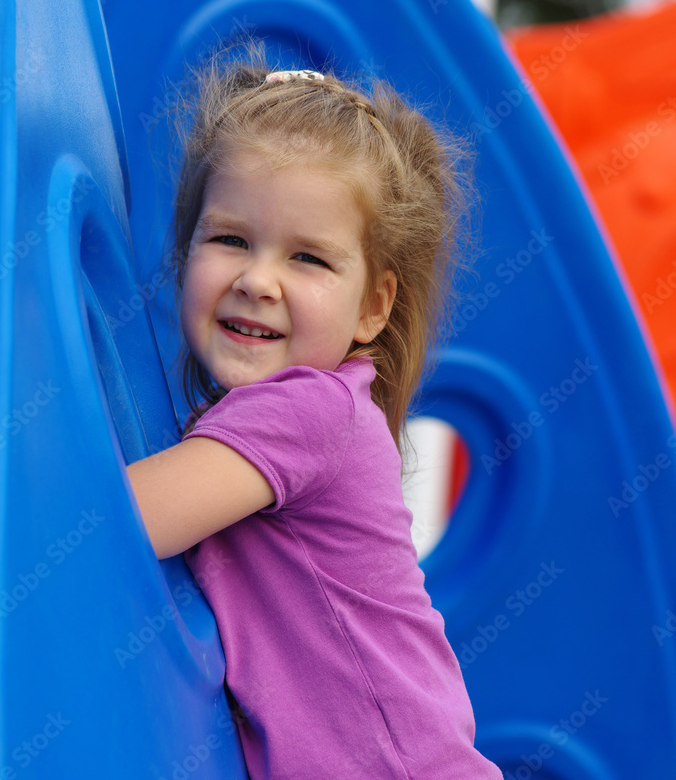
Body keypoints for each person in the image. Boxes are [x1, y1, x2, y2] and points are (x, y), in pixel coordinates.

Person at [126, 38, 501, 779]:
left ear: (373, 306)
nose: (258, 280)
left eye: (308, 258)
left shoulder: (310, 412)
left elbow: (119, 520)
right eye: (231, 239)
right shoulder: (314, 411)